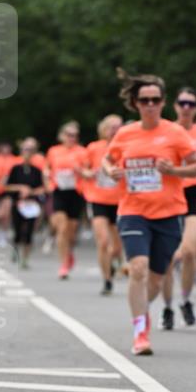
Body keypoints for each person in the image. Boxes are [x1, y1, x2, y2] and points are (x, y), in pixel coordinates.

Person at [102, 69, 196, 355]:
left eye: (155, 100)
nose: (150, 105)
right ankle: (140, 332)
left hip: (168, 213)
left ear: (163, 102)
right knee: (138, 268)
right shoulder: (125, 134)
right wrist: (110, 171)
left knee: (157, 279)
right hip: (133, 211)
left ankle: (142, 312)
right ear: (135, 103)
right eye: (144, 100)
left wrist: (175, 171)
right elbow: (107, 160)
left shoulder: (175, 133)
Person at [160, 88, 196, 328]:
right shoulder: (166, 131)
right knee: (168, 257)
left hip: (193, 194)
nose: (186, 107)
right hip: (169, 193)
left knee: (189, 251)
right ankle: (167, 307)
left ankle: (185, 299)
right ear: (175, 106)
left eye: (191, 104)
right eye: (182, 103)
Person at [83, 114, 125, 295]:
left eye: (118, 127)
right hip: (98, 199)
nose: (114, 130)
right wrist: (88, 173)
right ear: (104, 129)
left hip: (120, 200)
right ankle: (107, 280)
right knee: (103, 241)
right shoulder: (94, 148)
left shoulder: (125, 147)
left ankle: (113, 264)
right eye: (111, 127)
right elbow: (84, 168)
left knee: (117, 247)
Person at [45, 121, 87, 279]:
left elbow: (88, 171)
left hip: (76, 193)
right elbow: (47, 169)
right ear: (62, 136)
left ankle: (69, 252)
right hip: (59, 191)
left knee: (71, 231)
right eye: (69, 135)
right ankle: (63, 265)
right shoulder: (54, 151)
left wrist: (80, 171)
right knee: (62, 229)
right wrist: (47, 182)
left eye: (75, 135)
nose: (72, 138)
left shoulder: (82, 151)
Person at [5, 139, 46, 268]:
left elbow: (43, 188)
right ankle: (16, 248)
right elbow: (7, 187)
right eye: (25, 150)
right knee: (18, 230)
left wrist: (31, 192)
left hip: (31, 205)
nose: (27, 153)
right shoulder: (15, 169)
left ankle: (25, 259)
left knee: (29, 231)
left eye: (30, 151)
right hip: (18, 203)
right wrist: (20, 188)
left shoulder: (37, 171)